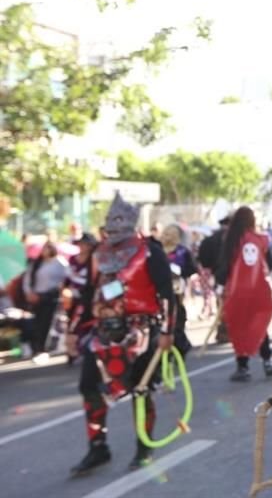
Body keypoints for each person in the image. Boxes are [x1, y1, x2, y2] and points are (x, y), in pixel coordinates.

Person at [70, 193, 176, 476]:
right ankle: (98, 447)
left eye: (119, 221)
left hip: (140, 331)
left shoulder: (150, 250)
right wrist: (73, 329)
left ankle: (144, 446)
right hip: (102, 332)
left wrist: (168, 332)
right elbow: (89, 293)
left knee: (140, 390)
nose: (113, 227)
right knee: (89, 386)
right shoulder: (98, 253)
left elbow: (167, 294)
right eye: (109, 221)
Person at [218, 206, 272, 381]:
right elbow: (270, 263)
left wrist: (222, 285)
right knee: (260, 325)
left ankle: (242, 366)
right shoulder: (261, 239)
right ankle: (267, 361)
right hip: (260, 290)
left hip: (238, 292)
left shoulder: (232, 239)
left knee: (240, 327)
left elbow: (224, 265)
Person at [19, 240, 68, 360]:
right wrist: (29, 293)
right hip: (37, 296)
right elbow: (27, 279)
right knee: (37, 323)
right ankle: (37, 346)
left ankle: (46, 346)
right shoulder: (37, 263)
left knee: (48, 322)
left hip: (51, 297)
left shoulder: (60, 262)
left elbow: (65, 278)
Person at [160, 224, 197, 356]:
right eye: (165, 234)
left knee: (177, 316)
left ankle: (180, 345)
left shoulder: (182, 251)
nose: (166, 237)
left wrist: (180, 271)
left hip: (177, 290)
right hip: (160, 290)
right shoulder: (157, 250)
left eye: (170, 234)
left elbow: (192, 268)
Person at [65, 233, 99, 365]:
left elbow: (92, 280)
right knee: (71, 325)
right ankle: (72, 352)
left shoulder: (94, 259)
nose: (82, 246)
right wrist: (65, 289)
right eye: (80, 243)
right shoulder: (73, 259)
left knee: (84, 324)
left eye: (85, 244)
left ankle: (82, 350)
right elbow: (67, 278)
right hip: (72, 298)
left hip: (87, 297)